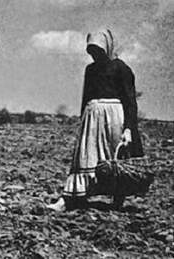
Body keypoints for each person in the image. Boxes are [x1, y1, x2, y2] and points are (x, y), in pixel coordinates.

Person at [48, 29, 144, 212]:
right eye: (91, 51)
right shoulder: (90, 70)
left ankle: (117, 198)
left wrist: (128, 129)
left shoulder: (121, 68)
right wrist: (83, 118)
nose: (95, 54)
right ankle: (70, 198)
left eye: (98, 50)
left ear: (106, 48)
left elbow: (130, 101)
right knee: (85, 156)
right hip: (92, 119)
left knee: (116, 159)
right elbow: (85, 97)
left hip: (114, 118)